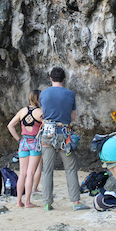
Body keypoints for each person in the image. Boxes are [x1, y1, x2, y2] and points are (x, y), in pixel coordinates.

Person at [39, 67, 88, 211]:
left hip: (47, 134)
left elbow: (42, 113)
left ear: (50, 78)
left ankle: (47, 203)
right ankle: (76, 202)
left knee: (47, 169)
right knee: (70, 168)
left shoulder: (44, 93)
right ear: (64, 79)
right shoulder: (70, 94)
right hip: (63, 134)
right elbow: (73, 116)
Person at [7, 90, 43, 208]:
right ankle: (27, 201)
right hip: (35, 142)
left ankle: (19, 202)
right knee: (30, 173)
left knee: (22, 174)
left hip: (23, 143)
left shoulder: (22, 111)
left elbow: (10, 125)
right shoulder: (40, 112)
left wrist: (18, 140)